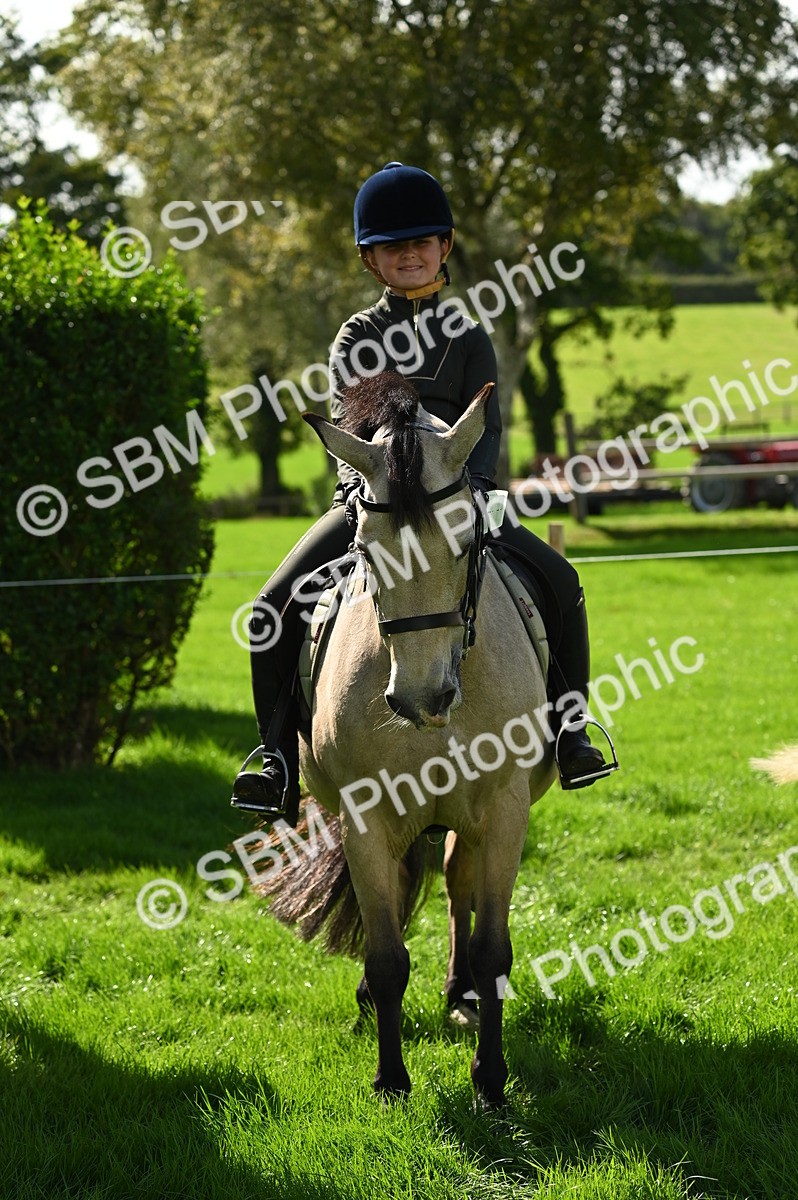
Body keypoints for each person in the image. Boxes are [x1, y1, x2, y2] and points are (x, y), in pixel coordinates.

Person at [231, 162, 614, 822]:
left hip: (460, 500)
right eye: (392, 246)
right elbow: (351, 432)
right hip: (372, 503)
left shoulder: (468, 334)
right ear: (370, 259)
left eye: (421, 242)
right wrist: (363, 495)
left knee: (561, 579)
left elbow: (486, 423)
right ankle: (277, 761)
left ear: (445, 247)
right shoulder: (357, 336)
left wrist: (484, 488)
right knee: (269, 609)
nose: (409, 254)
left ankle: (572, 732)